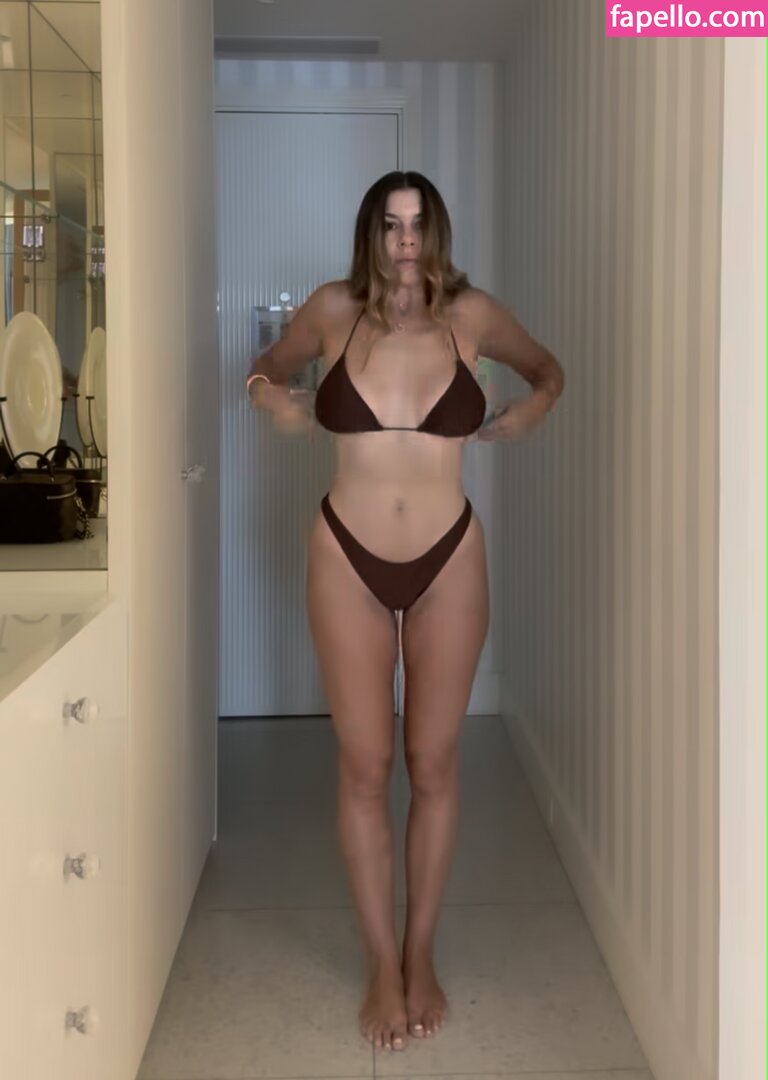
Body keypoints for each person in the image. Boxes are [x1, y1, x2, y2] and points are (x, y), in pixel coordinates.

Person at [246, 170, 565, 1053]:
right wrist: (272, 401)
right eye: (390, 225)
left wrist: (532, 411)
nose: (405, 241)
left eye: (418, 224)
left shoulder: (473, 316)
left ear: (438, 231)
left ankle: (421, 951)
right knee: (363, 765)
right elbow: (263, 369)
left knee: (431, 763)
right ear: (371, 233)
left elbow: (549, 370)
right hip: (345, 555)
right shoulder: (332, 309)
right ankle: (380, 962)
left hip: (448, 556)